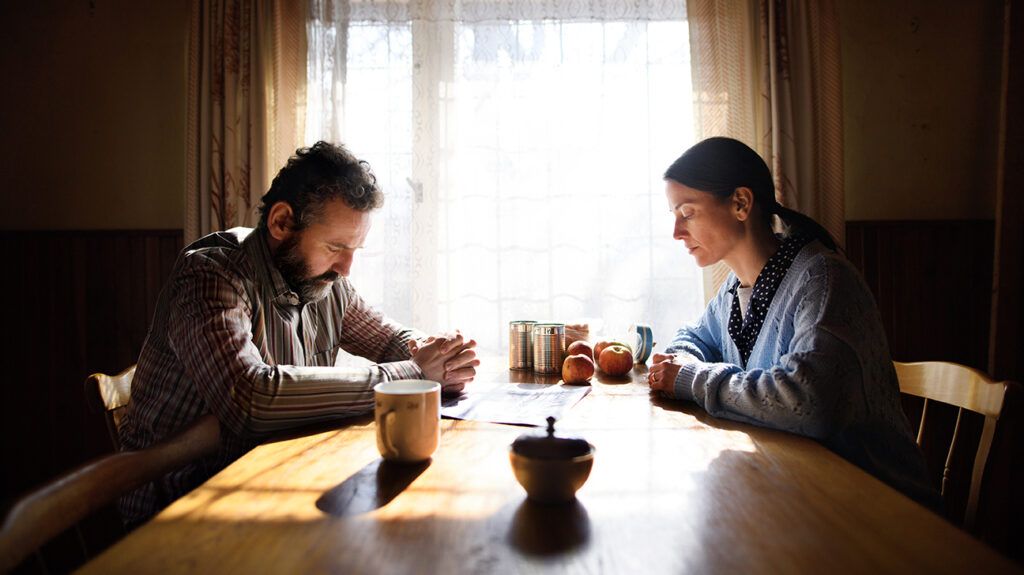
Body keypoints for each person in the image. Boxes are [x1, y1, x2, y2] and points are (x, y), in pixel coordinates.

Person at [118, 141, 478, 527]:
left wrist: (431, 351)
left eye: (355, 248)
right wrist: (413, 374)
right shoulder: (211, 275)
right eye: (336, 246)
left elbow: (391, 339)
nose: (346, 267)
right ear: (281, 222)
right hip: (179, 508)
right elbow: (249, 396)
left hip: (267, 479)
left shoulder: (323, 279)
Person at [647, 137, 938, 508]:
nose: (677, 232)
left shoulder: (823, 279)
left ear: (740, 203)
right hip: (803, 492)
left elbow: (809, 401)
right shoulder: (737, 287)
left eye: (687, 213)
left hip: (881, 508)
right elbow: (694, 337)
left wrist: (689, 378)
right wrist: (682, 362)